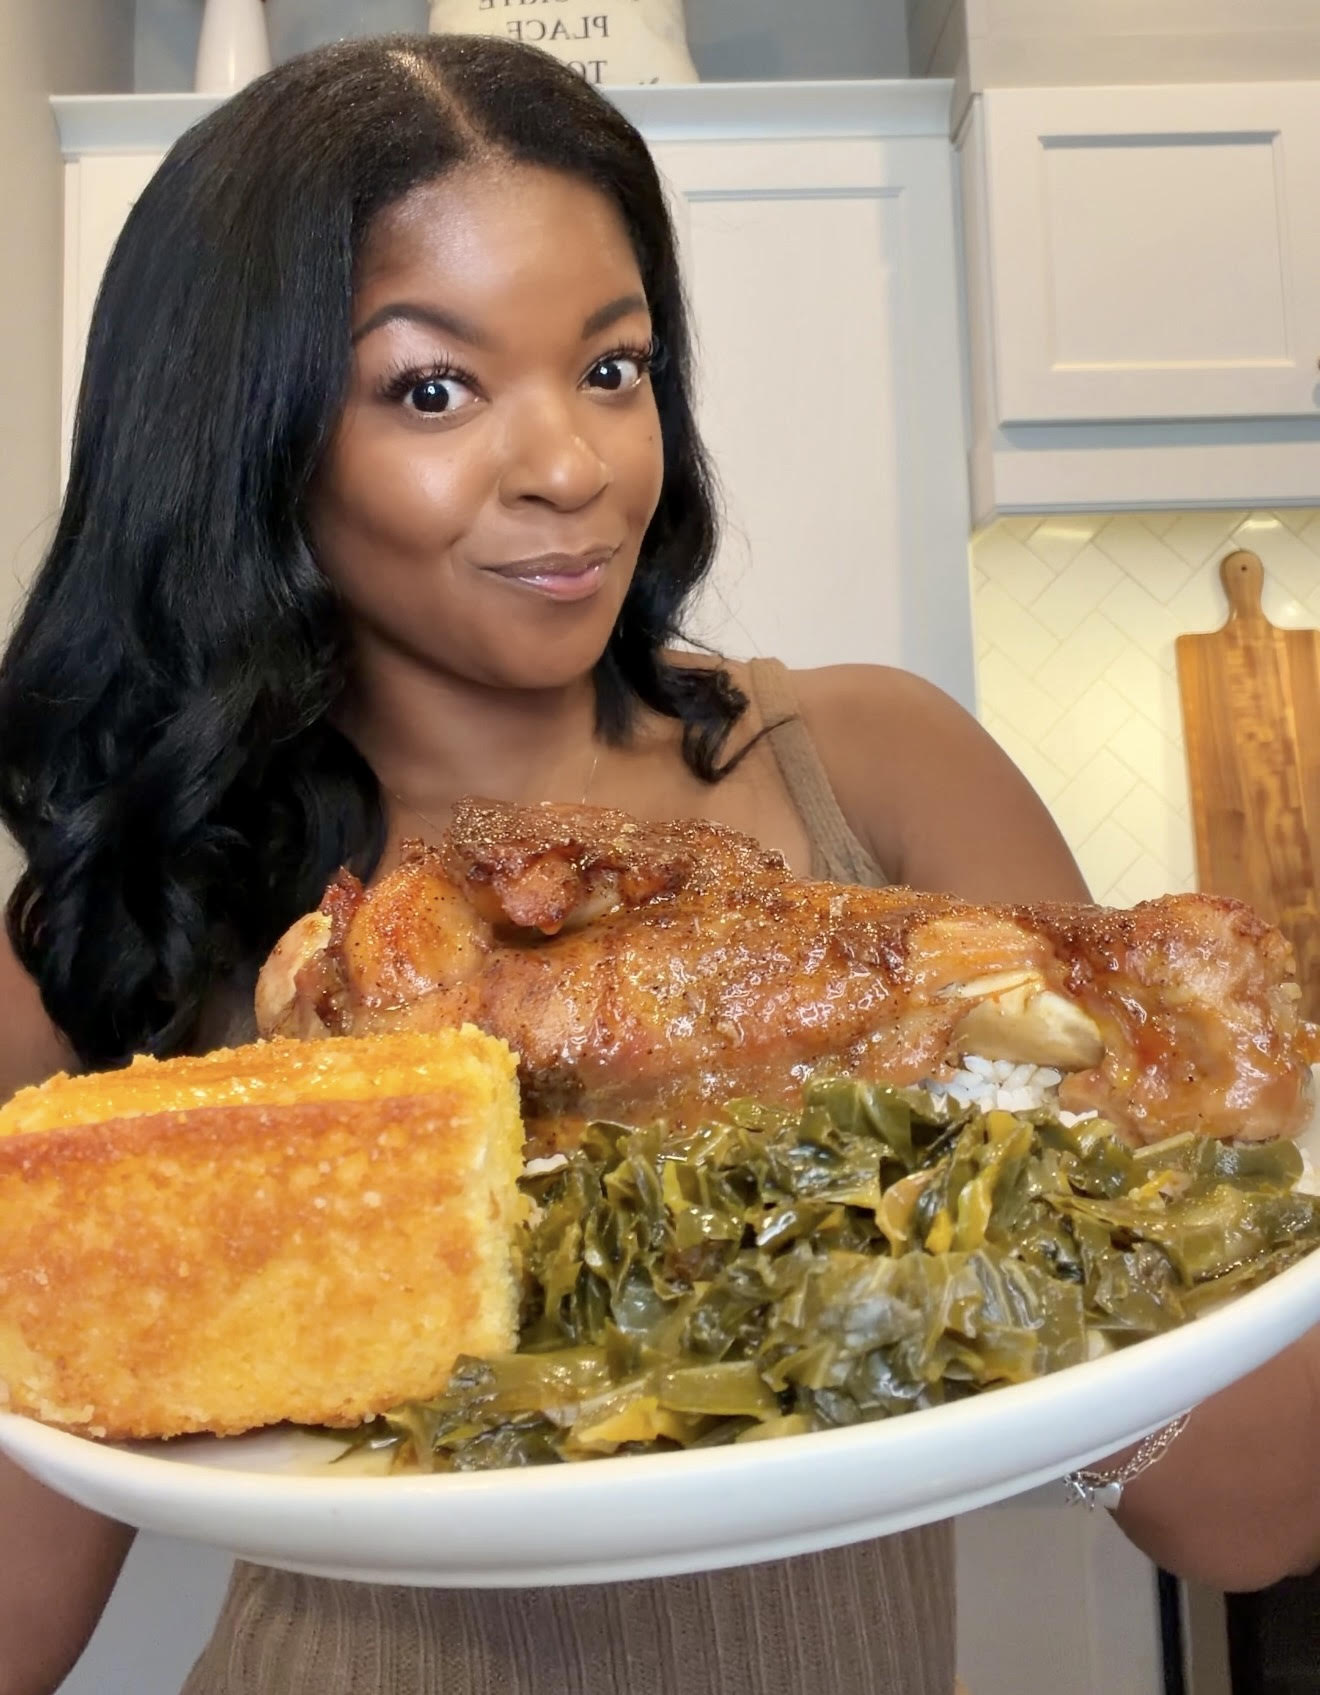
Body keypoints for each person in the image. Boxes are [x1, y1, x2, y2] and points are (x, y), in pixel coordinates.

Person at [0, 33, 1316, 1695]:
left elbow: (1247, 1519)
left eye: (612, 368)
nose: (573, 465)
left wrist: (979, 1249)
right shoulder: (141, 915)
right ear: (246, 440)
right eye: (432, 388)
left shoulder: (872, 777)